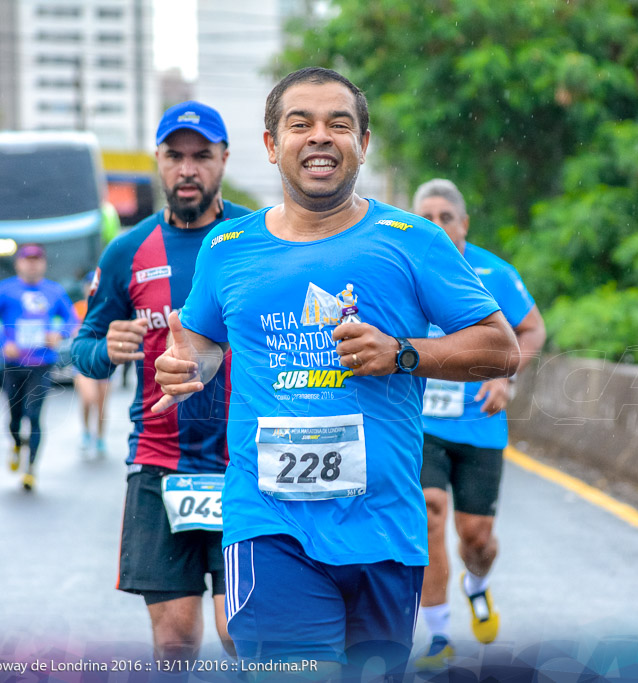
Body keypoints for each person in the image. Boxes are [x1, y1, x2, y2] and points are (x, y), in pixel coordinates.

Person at [153, 67, 520, 680]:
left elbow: (501, 348)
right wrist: (184, 365)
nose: (319, 136)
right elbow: (204, 343)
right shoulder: (227, 248)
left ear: (363, 143)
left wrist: (402, 352)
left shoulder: (414, 241)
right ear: (272, 145)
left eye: (338, 124)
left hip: (384, 532)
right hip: (270, 525)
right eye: (301, 124)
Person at [71, 100, 251, 663]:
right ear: (159, 160)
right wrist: (108, 348)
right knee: (174, 643)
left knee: (241, 635)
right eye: (176, 156)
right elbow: (83, 349)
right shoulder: (127, 250)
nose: (188, 169)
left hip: (246, 464)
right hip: (159, 464)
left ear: (224, 159)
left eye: (202, 156)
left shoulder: (259, 237)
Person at [410, 179, 547, 670]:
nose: (436, 225)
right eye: (425, 217)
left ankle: (478, 583)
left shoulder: (494, 272)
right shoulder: (404, 270)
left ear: (464, 223)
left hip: (480, 425)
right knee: (429, 514)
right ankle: (439, 635)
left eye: (445, 216)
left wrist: (506, 377)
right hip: (422, 423)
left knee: (477, 536)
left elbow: (532, 329)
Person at [0, 243, 77, 492]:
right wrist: (2, 342)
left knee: (35, 415)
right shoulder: (5, 290)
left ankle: (31, 469)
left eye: (37, 260)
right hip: (14, 363)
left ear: (43, 263)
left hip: (41, 363)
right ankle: (17, 444)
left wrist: (58, 334)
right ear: (18, 263)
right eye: (27, 260)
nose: (32, 264)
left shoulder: (53, 291)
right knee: (15, 416)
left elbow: (72, 320)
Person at [72, 272, 109, 458]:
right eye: (90, 285)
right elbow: (70, 329)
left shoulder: (108, 307)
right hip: (83, 360)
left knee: (102, 403)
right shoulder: (78, 308)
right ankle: (86, 431)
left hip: (104, 360)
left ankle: (100, 437)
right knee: (89, 398)